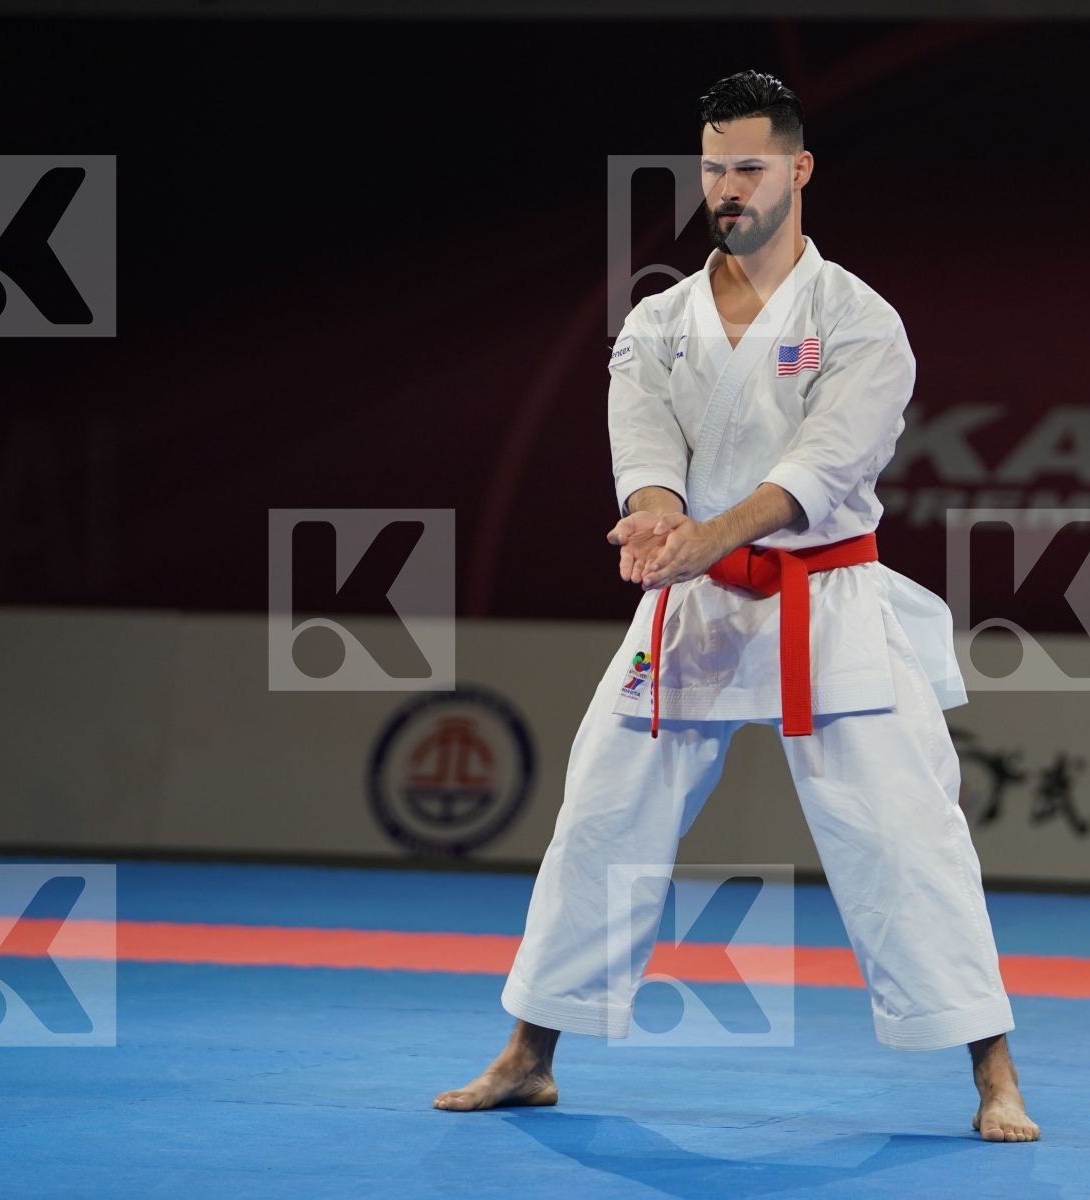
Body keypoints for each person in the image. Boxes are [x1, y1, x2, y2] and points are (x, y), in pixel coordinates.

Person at [434, 69, 1038, 1143]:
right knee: (600, 819)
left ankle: (994, 1076)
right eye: (714, 165)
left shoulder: (862, 321)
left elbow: (822, 462)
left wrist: (702, 537)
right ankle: (530, 1055)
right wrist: (657, 521)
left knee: (906, 834)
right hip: (691, 605)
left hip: (828, 599)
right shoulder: (656, 322)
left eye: (749, 165)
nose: (727, 185)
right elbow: (647, 448)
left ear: (798, 170)